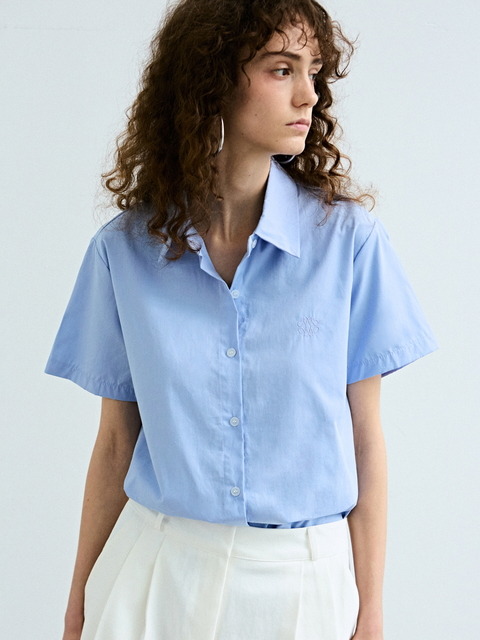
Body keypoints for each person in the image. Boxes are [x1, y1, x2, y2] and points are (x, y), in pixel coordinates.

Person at [45, 1, 438, 639]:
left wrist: (371, 611)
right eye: (282, 69)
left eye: (314, 71)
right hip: (154, 574)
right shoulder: (124, 251)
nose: (309, 94)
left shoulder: (349, 244)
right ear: (213, 80)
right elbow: (116, 441)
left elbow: (365, 438)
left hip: (303, 586)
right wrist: (78, 604)